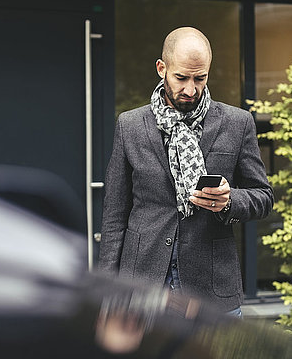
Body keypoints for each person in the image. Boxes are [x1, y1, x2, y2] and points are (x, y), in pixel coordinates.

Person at [98, 27, 273, 315]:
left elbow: (263, 197)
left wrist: (229, 201)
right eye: (181, 78)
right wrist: (107, 292)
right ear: (161, 68)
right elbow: (115, 215)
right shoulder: (130, 125)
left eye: (200, 78)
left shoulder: (237, 123)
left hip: (213, 289)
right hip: (143, 284)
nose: (190, 89)